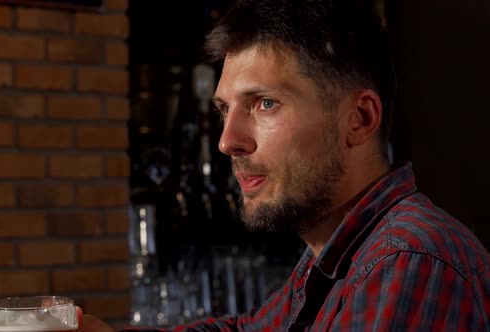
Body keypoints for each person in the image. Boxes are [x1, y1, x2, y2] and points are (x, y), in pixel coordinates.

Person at [79, 0, 490, 330]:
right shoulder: (335, 253)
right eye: (225, 110)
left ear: (360, 118)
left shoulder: (406, 261)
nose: (228, 141)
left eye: (265, 103)